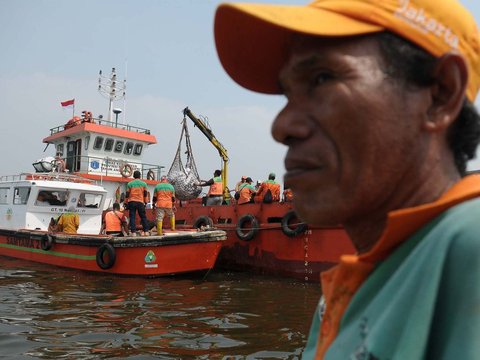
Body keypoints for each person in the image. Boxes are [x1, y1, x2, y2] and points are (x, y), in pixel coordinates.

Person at [214, 0, 480, 359]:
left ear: (440, 94)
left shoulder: (469, 249)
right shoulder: (355, 285)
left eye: (323, 78)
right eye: (288, 94)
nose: (281, 127)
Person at [125, 170, 150, 236]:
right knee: (143, 217)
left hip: (132, 202)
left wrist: (125, 203)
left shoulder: (129, 184)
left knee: (132, 217)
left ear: (133, 176)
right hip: (140, 202)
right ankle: (146, 231)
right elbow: (145, 194)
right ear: (140, 176)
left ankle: (133, 232)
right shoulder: (144, 184)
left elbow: (127, 194)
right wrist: (146, 202)